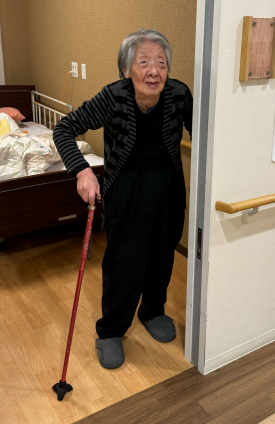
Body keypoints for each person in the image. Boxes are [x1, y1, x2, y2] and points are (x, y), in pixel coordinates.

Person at [53, 29, 193, 369]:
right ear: (126, 69)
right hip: (126, 189)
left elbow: (204, 132)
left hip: (169, 187)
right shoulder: (114, 96)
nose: (154, 71)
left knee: (162, 255)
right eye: (143, 62)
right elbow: (64, 129)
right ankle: (111, 330)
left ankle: (152, 311)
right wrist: (83, 172)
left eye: (161, 63)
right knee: (124, 262)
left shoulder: (178, 94)